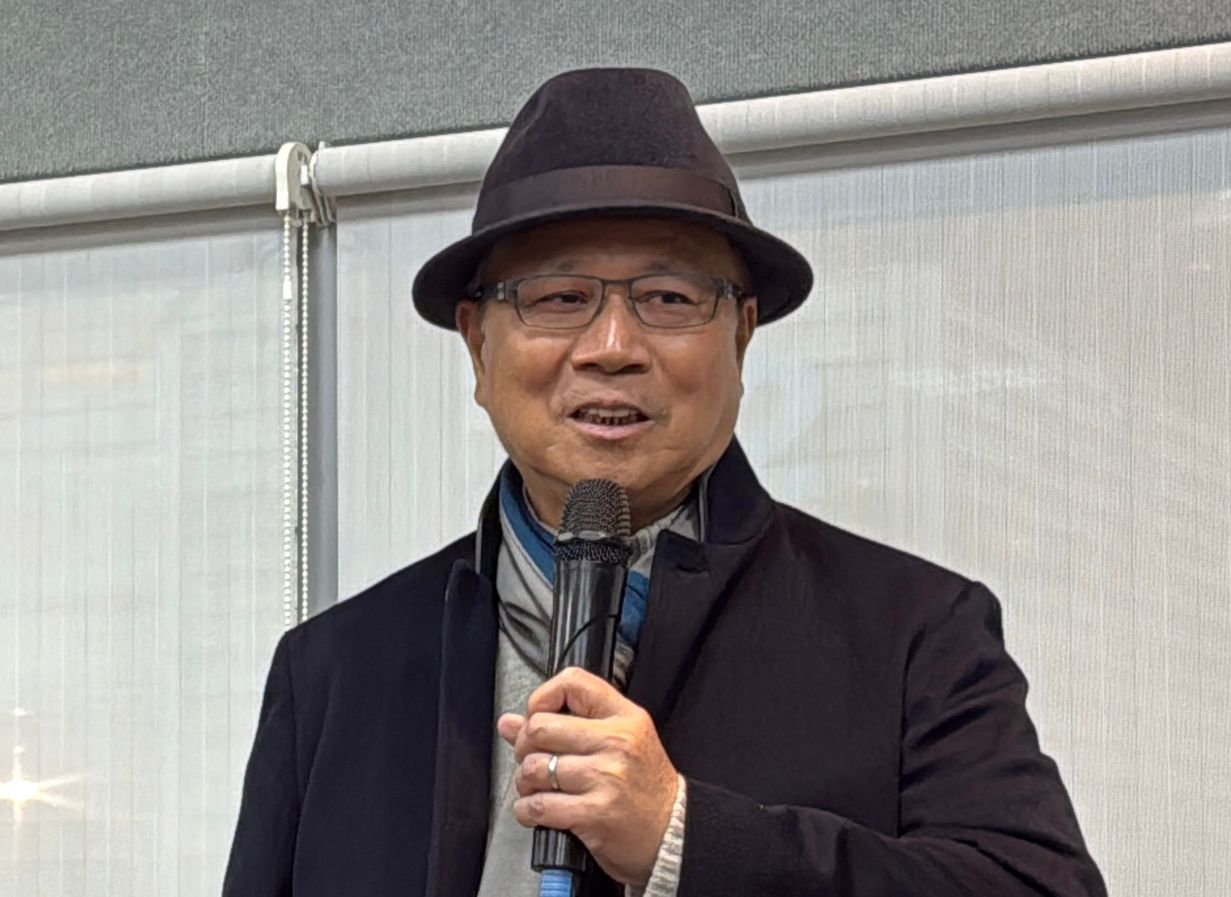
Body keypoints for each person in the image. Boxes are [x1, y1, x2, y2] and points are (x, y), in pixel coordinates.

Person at [222, 67, 1107, 897]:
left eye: (670, 299)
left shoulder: (913, 632)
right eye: (559, 297)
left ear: (742, 335)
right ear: (477, 343)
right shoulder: (333, 671)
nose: (613, 347)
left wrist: (684, 835)